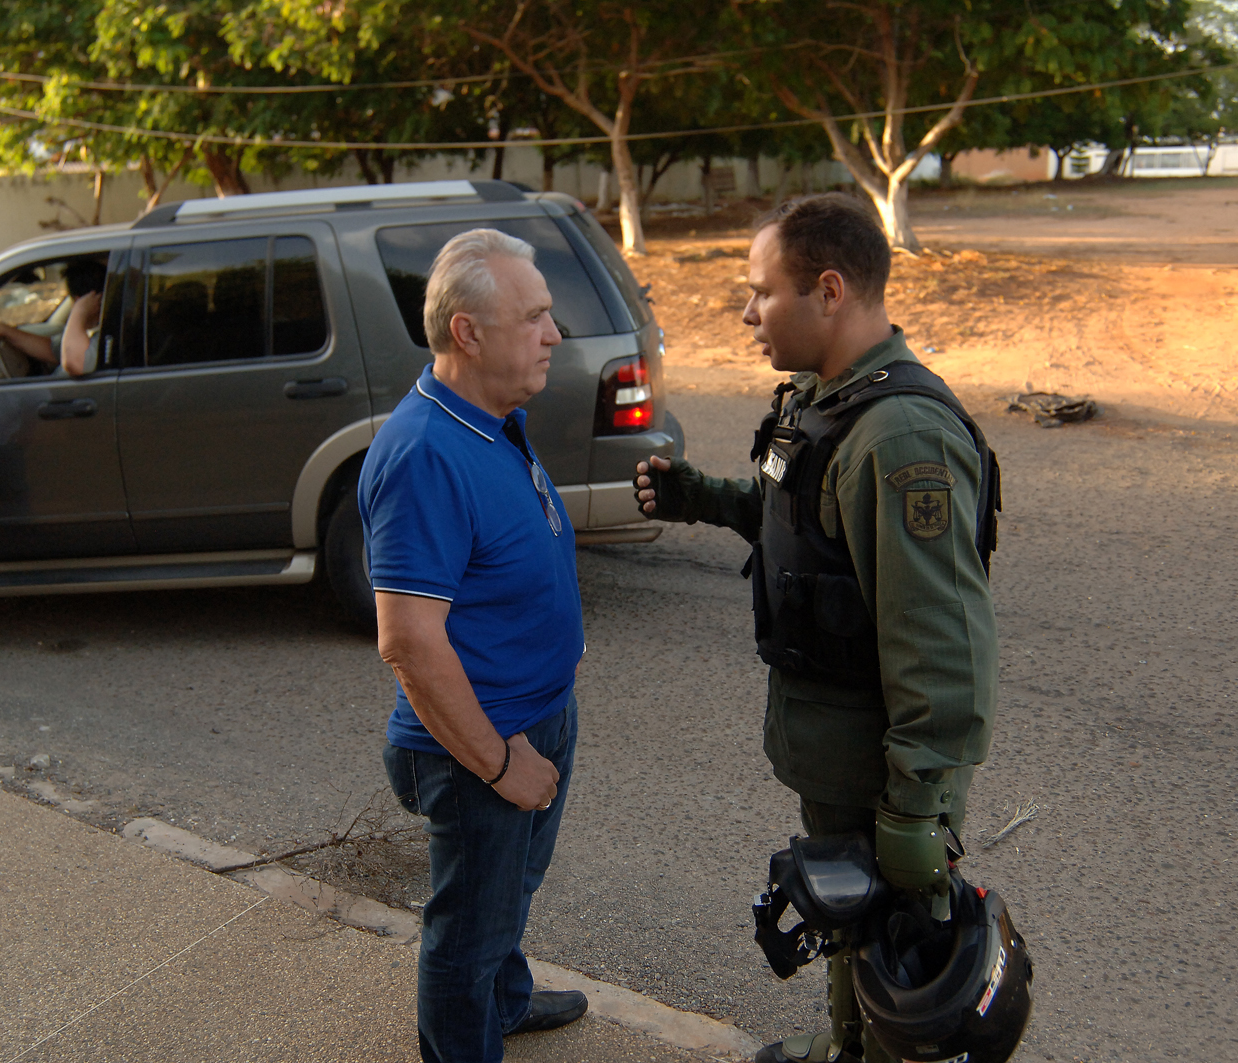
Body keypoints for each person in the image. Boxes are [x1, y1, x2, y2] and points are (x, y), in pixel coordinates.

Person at [634, 194, 1000, 1063]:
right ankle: (845, 1043)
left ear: (829, 291)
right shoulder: (825, 400)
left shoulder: (902, 437)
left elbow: (943, 643)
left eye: (761, 292)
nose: (747, 312)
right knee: (847, 907)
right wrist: (707, 501)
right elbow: (800, 518)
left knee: (897, 942)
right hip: (833, 744)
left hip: (884, 763)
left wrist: (915, 805)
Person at [360, 228, 589, 1063]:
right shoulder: (424, 452)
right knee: (468, 926)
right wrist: (499, 762)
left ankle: (506, 998)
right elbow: (410, 643)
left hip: (535, 714)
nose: (553, 333)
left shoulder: (492, 417)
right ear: (468, 332)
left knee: (509, 893)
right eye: (534, 317)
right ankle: (467, 1035)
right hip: (476, 748)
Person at [0, 257, 105, 377]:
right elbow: (51, 350)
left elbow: (74, 363)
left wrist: (79, 310)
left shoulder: (108, 337)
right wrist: (4, 330)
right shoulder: (87, 335)